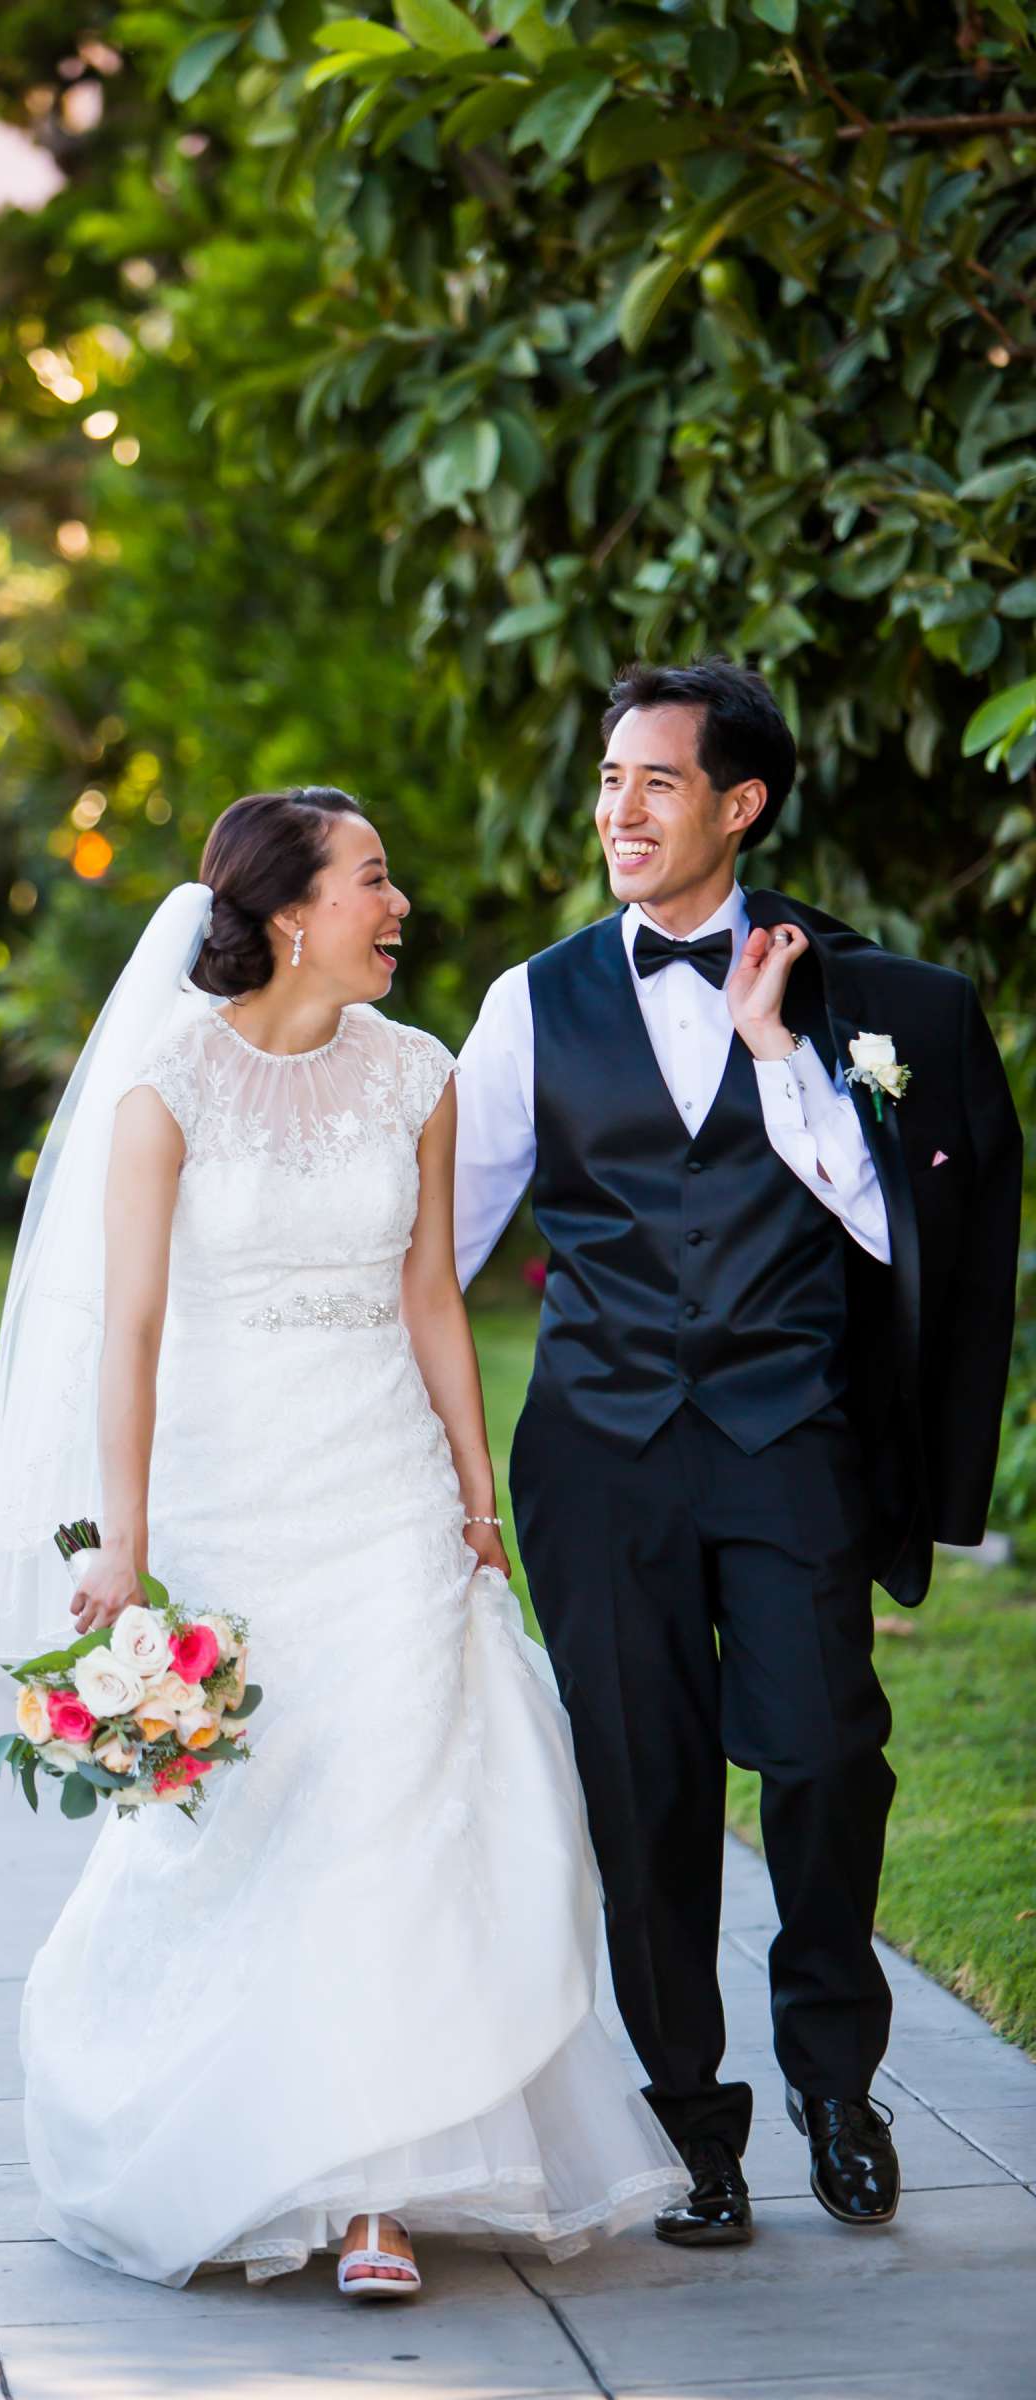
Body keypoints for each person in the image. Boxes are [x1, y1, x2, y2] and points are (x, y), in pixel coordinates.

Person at [0, 786, 686, 2295]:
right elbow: (132, 1328)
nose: (398, 902)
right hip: (232, 1501)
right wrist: (125, 1545)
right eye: (373, 880)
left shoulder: (416, 1075)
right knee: (249, 1835)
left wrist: (474, 1501)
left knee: (397, 1819)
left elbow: (434, 1294)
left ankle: (378, 2196)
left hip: (383, 1494)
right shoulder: (166, 1089)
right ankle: (236, 2140)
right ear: (292, 913)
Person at [455, 657, 1022, 2247]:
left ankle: (836, 2087)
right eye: (609, 781)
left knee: (827, 1757)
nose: (618, 812)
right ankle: (691, 2131)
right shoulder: (535, 999)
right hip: (600, 1450)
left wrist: (779, 1053)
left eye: (655, 781)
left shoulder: (860, 998)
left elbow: (897, 1233)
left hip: (788, 1441)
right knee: (643, 1796)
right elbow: (438, 1240)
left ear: (740, 803)